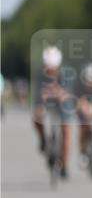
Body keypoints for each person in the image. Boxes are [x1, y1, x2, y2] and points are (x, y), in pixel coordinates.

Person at [32, 46, 72, 179]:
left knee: (66, 130)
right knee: (37, 116)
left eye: (53, 68)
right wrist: (41, 105)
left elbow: (68, 93)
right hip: (46, 102)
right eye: (49, 68)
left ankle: (64, 164)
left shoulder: (66, 74)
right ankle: (43, 138)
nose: (51, 71)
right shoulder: (39, 75)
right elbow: (39, 94)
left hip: (61, 104)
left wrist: (60, 94)